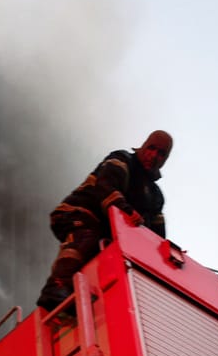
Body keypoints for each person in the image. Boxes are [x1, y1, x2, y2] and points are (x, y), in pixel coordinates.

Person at [37, 130, 173, 311]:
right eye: (151, 148)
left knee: (104, 261)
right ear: (143, 146)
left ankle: (79, 299)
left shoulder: (156, 197)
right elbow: (105, 185)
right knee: (86, 238)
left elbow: (158, 240)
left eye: (161, 153)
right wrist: (127, 210)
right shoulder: (123, 159)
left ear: (165, 159)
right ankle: (56, 287)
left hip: (104, 231)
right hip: (76, 213)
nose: (154, 155)